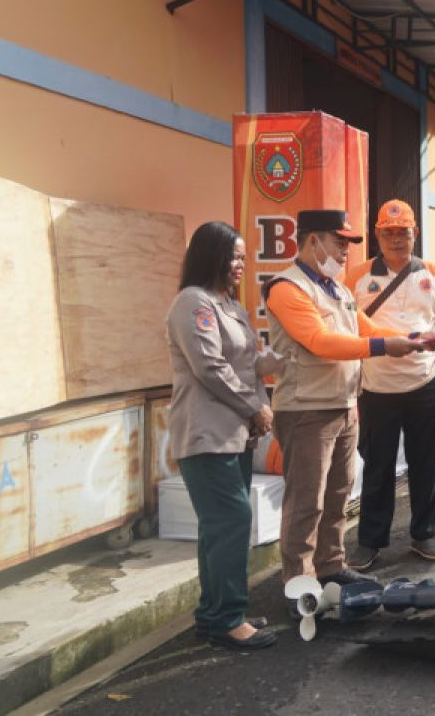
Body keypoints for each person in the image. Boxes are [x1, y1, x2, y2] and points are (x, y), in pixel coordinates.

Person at [263, 210, 435, 598]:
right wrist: (383, 347)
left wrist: (417, 337)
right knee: (306, 503)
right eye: (339, 242)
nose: (345, 252)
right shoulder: (286, 289)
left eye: (348, 244)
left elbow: (368, 328)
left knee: (338, 496)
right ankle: (299, 583)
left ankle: (330, 567)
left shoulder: (336, 289)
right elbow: (320, 342)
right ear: (312, 241)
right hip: (306, 409)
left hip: (342, 405)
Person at [166, 221, 278, 650]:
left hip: (234, 436)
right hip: (206, 435)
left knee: (219, 527)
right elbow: (210, 367)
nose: (240, 265)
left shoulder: (227, 304)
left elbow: (249, 360)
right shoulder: (192, 303)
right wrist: (256, 408)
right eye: (234, 257)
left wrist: (287, 362)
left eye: (244, 258)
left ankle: (216, 615)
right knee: (231, 521)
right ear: (209, 255)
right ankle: (228, 618)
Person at [344, 200, 435, 568]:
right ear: (376, 235)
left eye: (402, 232)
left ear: (415, 234)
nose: (395, 239)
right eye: (388, 233)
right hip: (376, 390)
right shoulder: (356, 278)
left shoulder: (434, 274)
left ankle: (425, 535)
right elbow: (344, 326)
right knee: (378, 468)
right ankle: (370, 541)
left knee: (426, 465)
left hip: (424, 386)